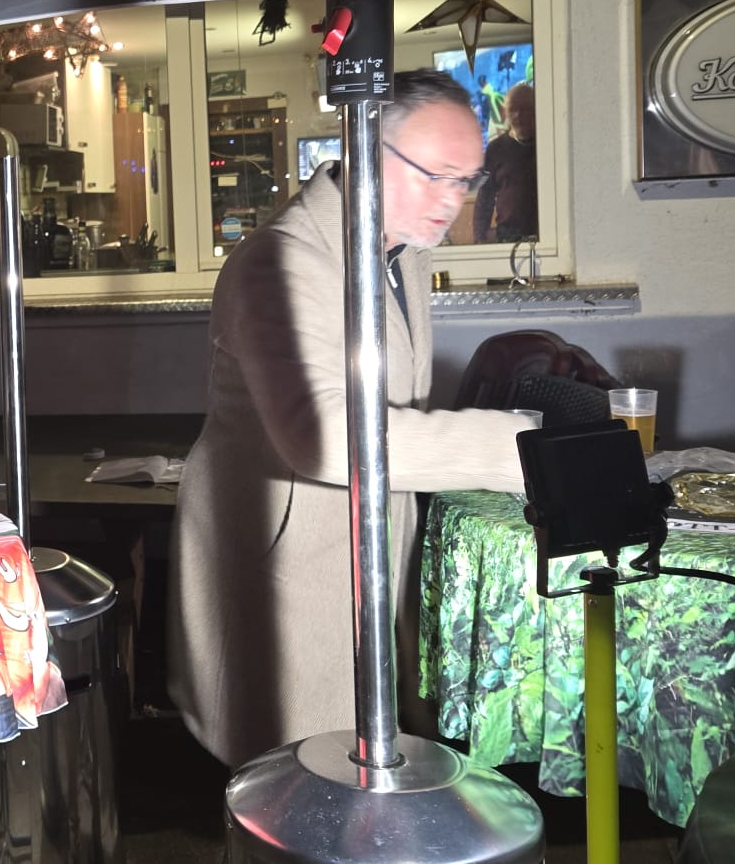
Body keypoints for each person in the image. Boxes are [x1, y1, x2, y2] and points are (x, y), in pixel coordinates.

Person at [166, 70, 528, 771]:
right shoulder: (279, 259)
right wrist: (521, 447)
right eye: (436, 175)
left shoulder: (402, 250)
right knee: (296, 780)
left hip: (367, 552)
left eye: (468, 180)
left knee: (361, 772)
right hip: (289, 562)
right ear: (362, 146)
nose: (453, 200)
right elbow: (327, 439)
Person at [473, 82, 537, 244]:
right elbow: (485, 197)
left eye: (526, 109)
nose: (518, 116)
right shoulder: (495, 149)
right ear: (505, 112)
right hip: (507, 238)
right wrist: (479, 239)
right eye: (513, 109)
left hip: (546, 238)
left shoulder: (548, 146)